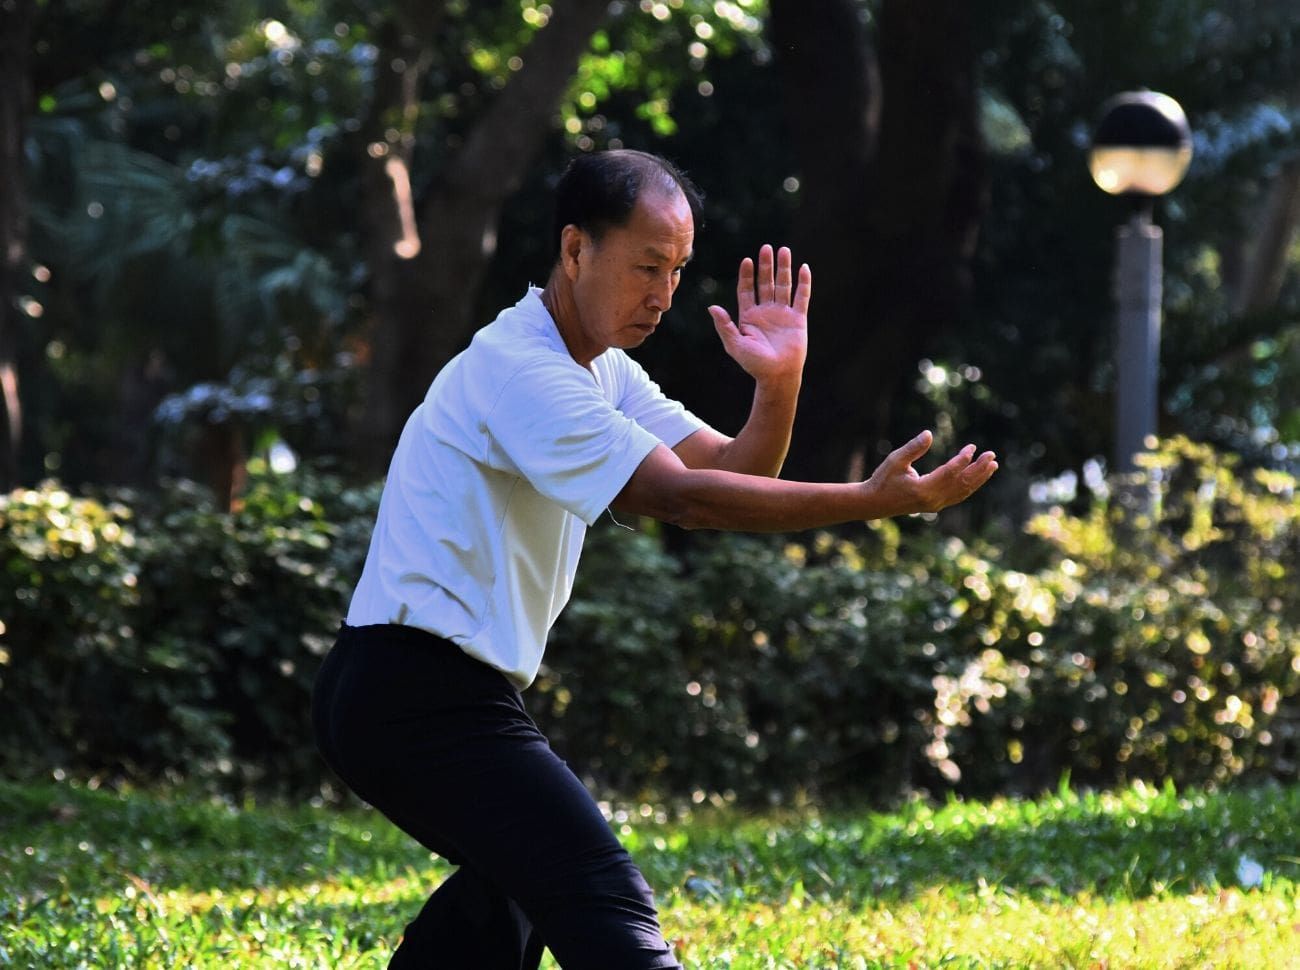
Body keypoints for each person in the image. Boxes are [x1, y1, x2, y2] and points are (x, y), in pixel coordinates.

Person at [312, 148, 998, 969]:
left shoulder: (601, 370)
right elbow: (685, 499)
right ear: (575, 250)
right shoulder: (524, 371)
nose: (663, 294)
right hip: (411, 693)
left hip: (425, 693)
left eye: (677, 269)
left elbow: (731, 473)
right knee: (600, 896)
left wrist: (779, 383)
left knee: (512, 897)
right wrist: (869, 501)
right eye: (646, 266)